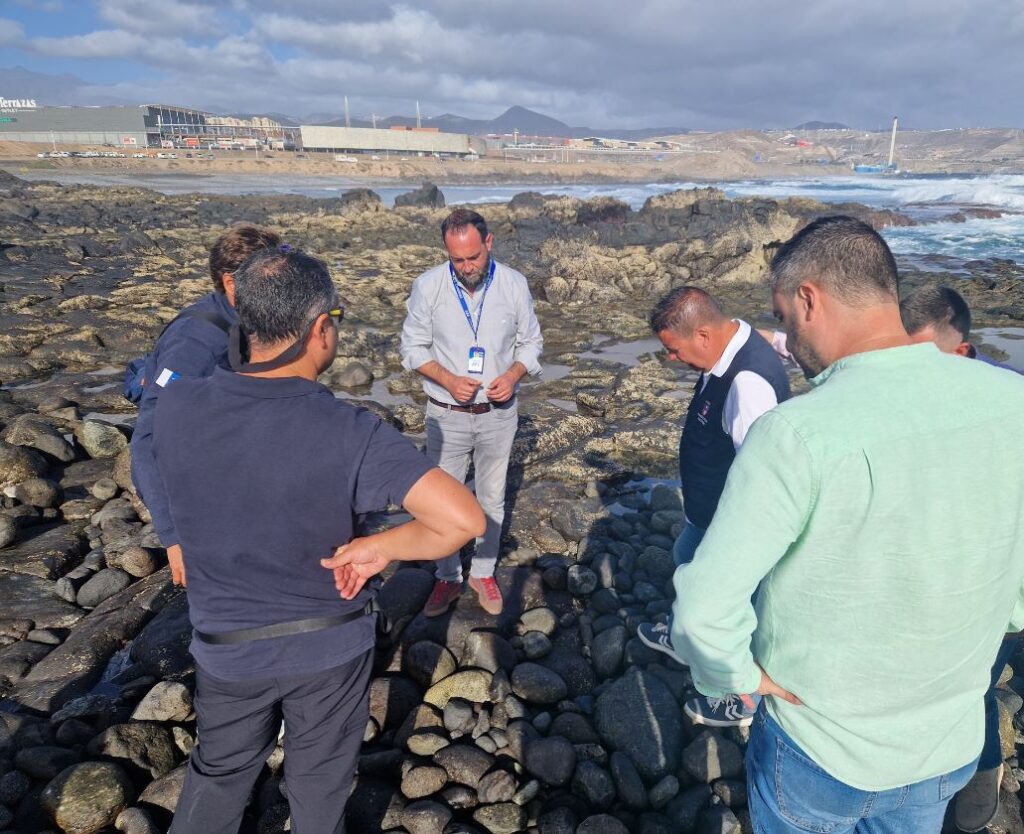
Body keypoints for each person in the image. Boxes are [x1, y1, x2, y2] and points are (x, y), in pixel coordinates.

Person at [671, 215, 1024, 833]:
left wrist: (738, 678)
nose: (786, 337)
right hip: (947, 741)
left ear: (808, 299)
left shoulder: (797, 433)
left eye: (783, 316)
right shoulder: (1009, 400)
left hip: (822, 749)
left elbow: (704, 609)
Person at [154, 247, 485, 834]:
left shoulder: (178, 408)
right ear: (320, 329)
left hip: (224, 643)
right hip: (328, 644)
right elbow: (463, 521)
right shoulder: (352, 432)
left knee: (220, 773)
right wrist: (379, 548)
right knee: (319, 783)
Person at [636, 286, 790, 728]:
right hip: (703, 514)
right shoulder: (733, 343)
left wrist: (739, 549)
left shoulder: (747, 385)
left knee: (726, 605)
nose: (671, 359)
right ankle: (683, 638)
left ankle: (737, 698)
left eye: (673, 350)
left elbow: (761, 478)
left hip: (727, 524)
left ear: (702, 335)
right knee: (683, 559)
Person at [400, 208, 543, 617]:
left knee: (492, 498)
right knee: (439, 501)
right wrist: (446, 378)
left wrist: (514, 374)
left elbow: (531, 343)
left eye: (473, 258)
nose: (465, 267)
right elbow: (412, 347)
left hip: (500, 413)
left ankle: (482, 572)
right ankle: (447, 576)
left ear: (489, 243)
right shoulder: (428, 286)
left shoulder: (514, 284)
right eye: (456, 260)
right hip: (446, 414)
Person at [131, 224, 281, 587]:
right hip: (203, 489)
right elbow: (147, 441)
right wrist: (173, 537)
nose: (281, 288)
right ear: (230, 282)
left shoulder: (250, 320)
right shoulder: (195, 344)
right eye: (270, 279)